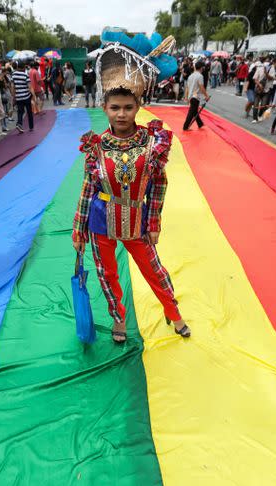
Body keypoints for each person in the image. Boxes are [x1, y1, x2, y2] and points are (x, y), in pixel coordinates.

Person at [71, 45, 190, 343]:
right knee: (108, 276)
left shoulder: (153, 142)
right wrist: (78, 228)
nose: (121, 114)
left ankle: (173, 312)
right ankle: (119, 318)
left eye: (127, 107)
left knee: (154, 270)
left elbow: (159, 185)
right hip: (100, 223)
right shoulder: (95, 146)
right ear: (105, 109)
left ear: (138, 107)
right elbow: (88, 189)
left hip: (137, 220)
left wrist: (153, 224)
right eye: (115, 108)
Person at [183, 60, 210, 131]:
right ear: (201, 68)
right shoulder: (200, 76)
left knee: (194, 111)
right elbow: (201, 87)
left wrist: (186, 97)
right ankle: (185, 126)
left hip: (191, 96)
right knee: (191, 112)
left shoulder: (191, 76)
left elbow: (187, 87)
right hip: (195, 96)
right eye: (203, 67)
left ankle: (200, 123)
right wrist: (206, 96)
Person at [11, 61, 35, 133]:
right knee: (29, 112)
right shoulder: (25, 75)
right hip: (26, 96)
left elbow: (12, 87)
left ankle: (19, 124)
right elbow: (30, 87)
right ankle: (31, 126)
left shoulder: (13, 75)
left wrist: (14, 96)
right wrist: (34, 95)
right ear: (23, 67)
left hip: (18, 97)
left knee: (20, 112)